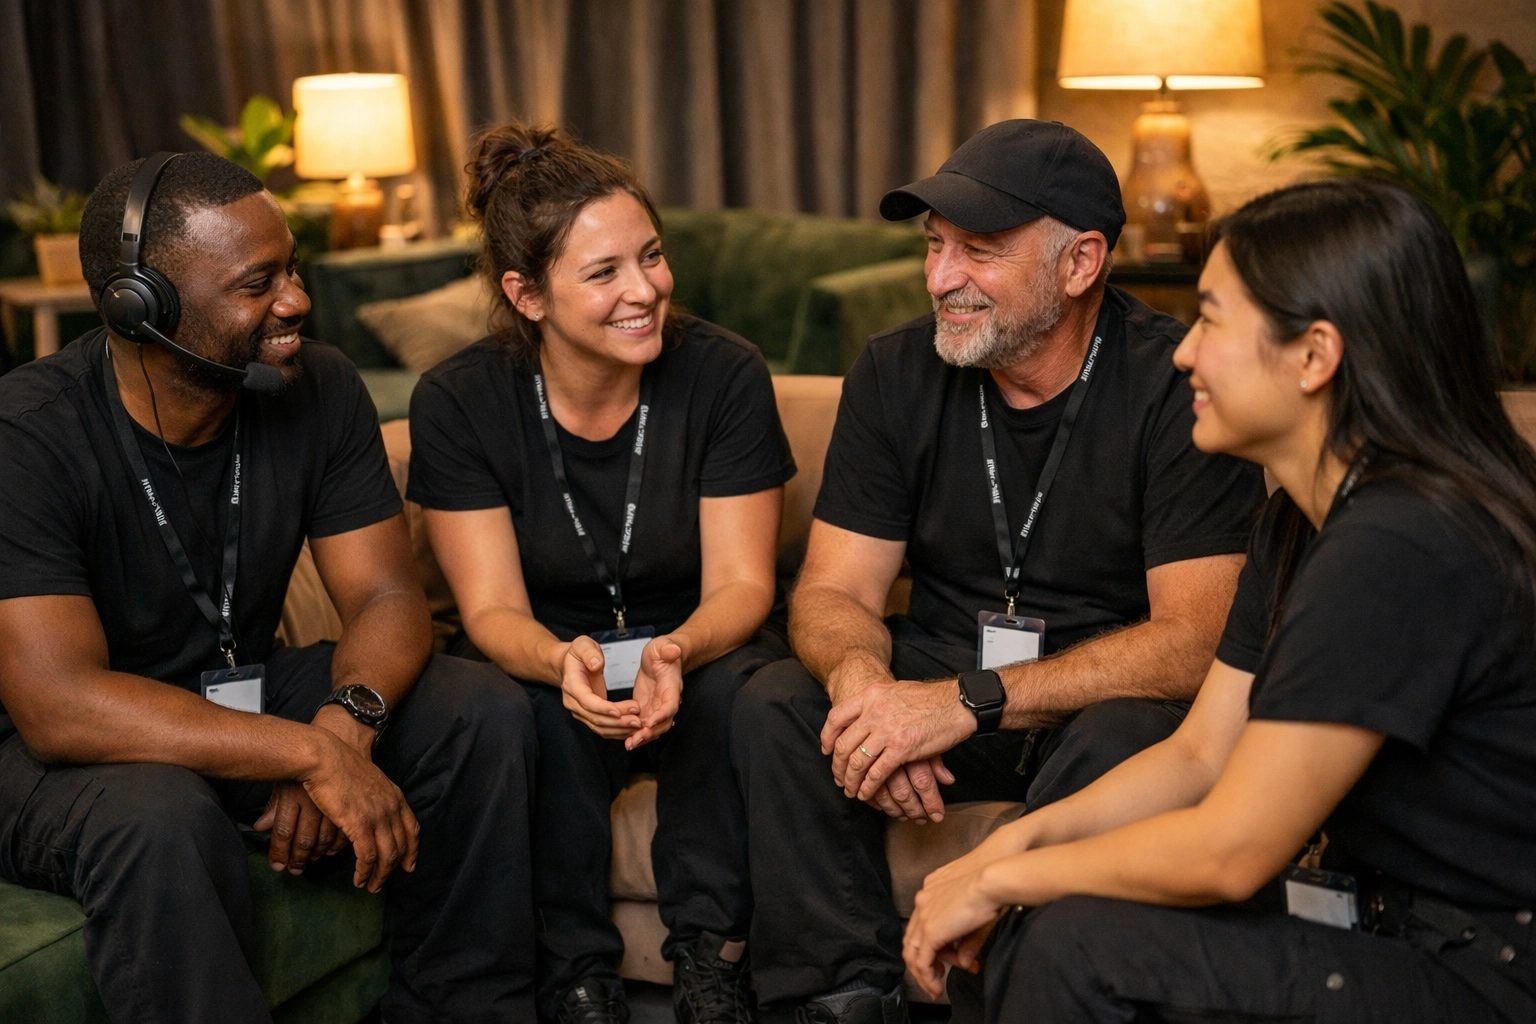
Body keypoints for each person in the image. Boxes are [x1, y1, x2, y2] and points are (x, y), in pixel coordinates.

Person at [904, 178, 1536, 1023]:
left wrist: (998, 878)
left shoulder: (1401, 541)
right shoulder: (1299, 520)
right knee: (1050, 915)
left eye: (1212, 320)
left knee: (1071, 946)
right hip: (1375, 918)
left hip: (1483, 970)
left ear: (1315, 355)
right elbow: (1201, 755)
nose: (1182, 352)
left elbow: (1234, 850)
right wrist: (1013, 845)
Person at [730, 118, 1266, 1023]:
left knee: (1132, 735)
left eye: (978, 252)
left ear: (1081, 262)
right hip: (934, 682)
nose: (941, 279)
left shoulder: (1179, 386)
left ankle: (1008, 989)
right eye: (935, 248)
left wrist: (962, 700)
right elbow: (831, 591)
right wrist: (868, 697)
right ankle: (843, 997)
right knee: (776, 699)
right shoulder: (895, 370)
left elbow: (1195, 641)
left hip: (1094, 701)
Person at [0, 152, 538, 1024]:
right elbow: (59, 704)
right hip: (58, 753)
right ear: (144, 307)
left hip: (237, 692)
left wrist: (343, 723)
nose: (295, 300)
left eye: (291, 267)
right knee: (158, 813)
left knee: (476, 709)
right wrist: (303, 754)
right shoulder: (27, 436)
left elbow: (388, 600)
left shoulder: (317, 386)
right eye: (259, 283)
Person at [407, 123, 796, 1024]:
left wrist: (676, 651)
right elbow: (493, 605)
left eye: (651, 257)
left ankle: (710, 962)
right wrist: (558, 663)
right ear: (526, 294)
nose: (645, 290)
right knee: (522, 714)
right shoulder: (461, 402)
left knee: (740, 693)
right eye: (604, 272)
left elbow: (743, 584)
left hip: (702, 636)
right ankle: (576, 978)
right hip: (551, 649)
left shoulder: (723, 373)